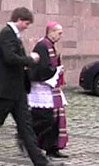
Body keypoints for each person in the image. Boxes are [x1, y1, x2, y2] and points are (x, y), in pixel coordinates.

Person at [0, 7, 63, 166]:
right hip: (7, 91)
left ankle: (41, 164)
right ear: (19, 19)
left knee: (25, 127)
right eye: (26, 23)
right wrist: (30, 59)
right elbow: (10, 59)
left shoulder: (12, 34)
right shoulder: (7, 34)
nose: (26, 26)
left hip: (16, 90)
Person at [28, 22, 69, 158]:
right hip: (42, 88)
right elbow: (41, 68)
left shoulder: (50, 45)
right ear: (50, 32)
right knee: (45, 119)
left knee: (56, 119)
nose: (60, 36)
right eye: (59, 33)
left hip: (52, 89)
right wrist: (56, 70)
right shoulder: (42, 46)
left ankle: (52, 148)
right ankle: (31, 142)